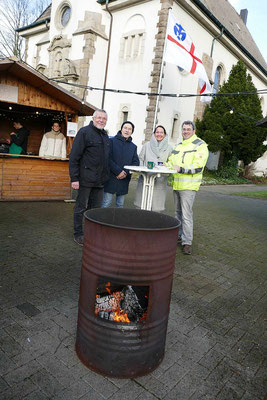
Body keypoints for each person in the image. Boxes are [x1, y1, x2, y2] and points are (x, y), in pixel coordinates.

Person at [166, 120, 209, 255]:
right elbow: (170, 162)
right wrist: (165, 166)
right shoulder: (178, 146)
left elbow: (198, 166)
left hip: (189, 187)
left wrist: (181, 168)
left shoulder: (200, 145)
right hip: (177, 185)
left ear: (194, 131)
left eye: (188, 129)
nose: (185, 131)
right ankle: (178, 236)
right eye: (184, 129)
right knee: (177, 213)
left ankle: (187, 242)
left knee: (186, 215)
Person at [69, 109, 109, 246]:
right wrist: (74, 178)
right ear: (93, 118)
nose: (101, 120)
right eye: (99, 117)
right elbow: (74, 157)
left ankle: (91, 234)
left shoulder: (105, 136)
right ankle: (78, 234)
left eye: (104, 118)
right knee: (80, 208)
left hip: (99, 181)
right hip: (85, 179)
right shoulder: (84, 132)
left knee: (94, 210)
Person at [134, 125, 173, 212]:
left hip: (160, 180)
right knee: (142, 204)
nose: (159, 134)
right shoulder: (146, 145)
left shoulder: (170, 148)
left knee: (156, 208)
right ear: (154, 134)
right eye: (157, 132)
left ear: (165, 134)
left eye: (161, 132)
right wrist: (142, 171)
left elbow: (171, 162)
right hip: (145, 179)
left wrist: (166, 166)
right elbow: (140, 159)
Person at [102, 121, 139, 208]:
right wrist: (118, 171)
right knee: (106, 203)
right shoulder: (111, 141)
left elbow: (136, 162)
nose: (127, 130)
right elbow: (107, 158)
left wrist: (125, 172)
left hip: (124, 179)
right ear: (121, 129)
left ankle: (117, 221)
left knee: (120, 205)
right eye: (125, 128)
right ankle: (101, 221)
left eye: (129, 129)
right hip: (111, 177)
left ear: (132, 131)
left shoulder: (133, 147)